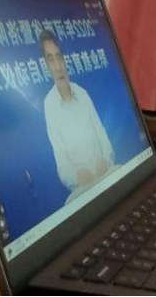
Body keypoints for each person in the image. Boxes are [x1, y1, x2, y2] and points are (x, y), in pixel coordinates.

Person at [40, 30, 115, 202]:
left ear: (65, 59)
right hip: (83, 187)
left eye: (59, 57)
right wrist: (76, 175)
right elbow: (61, 163)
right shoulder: (49, 105)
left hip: (105, 175)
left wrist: (105, 158)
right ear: (46, 64)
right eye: (51, 59)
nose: (58, 66)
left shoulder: (82, 93)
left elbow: (102, 135)